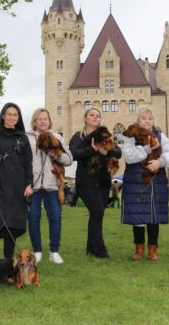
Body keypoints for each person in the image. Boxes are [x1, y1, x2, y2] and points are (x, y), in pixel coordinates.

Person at [0, 103, 33, 261]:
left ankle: (8, 262)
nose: (11, 117)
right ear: (3, 115)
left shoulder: (22, 137)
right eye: (8, 114)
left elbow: (27, 162)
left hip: (17, 187)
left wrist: (29, 183)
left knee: (12, 224)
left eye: (15, 114)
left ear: (19, 118)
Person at [121, 107, 169, 261]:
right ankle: (139, 249)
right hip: (135, 181)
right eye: (144, 118)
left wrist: (160, 161)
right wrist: (147, 148)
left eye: (150, 118)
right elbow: (129, 156)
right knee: (138, 215)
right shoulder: (130, 137)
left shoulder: (160, 136)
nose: (147, 120)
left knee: (153, 215)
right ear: (138, 120)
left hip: (155, 181)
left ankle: (152, 249)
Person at [69, 108, 122, 258]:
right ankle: (100, 251)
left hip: (103, 182)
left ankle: (91, 249)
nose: (95, 117)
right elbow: (73, 154)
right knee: (97, 211)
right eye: (91, 115)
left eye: (98, 115)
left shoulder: (106, 136)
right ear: (85, 118)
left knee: (97, 214)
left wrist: (108, 153)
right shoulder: (79, 136)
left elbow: (118, 152)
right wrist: (91, 149)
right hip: (86, 182)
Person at [26, 108, 73, 264]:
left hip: (52, 185)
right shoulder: (27, 138)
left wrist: (57, 155)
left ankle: (54, 251)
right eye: (39, 118)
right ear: (34, 121)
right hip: (34, 185)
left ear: (49, 120)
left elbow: (69, 159)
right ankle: (37, 250)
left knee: (55, 217)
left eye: (45, 118)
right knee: (33, 218)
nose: (42, 121)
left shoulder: (57, 137)